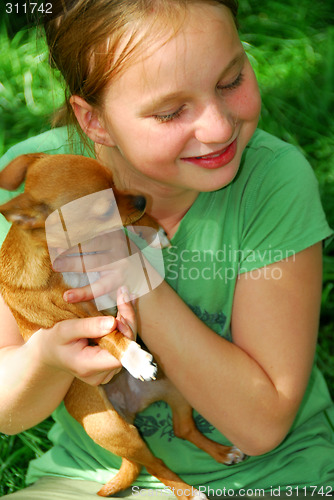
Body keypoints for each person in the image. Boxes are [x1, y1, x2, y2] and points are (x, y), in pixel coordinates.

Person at [0, 0, 333, 498]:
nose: (218, 127)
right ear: (94, 122)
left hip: (270, 480)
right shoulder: (44, 185)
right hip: (91, 480)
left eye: (231, 80)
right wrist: (48, 358)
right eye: (170, 112)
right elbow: (8, 413)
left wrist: (137, 281)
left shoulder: (271, 181)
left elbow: (261, 429)